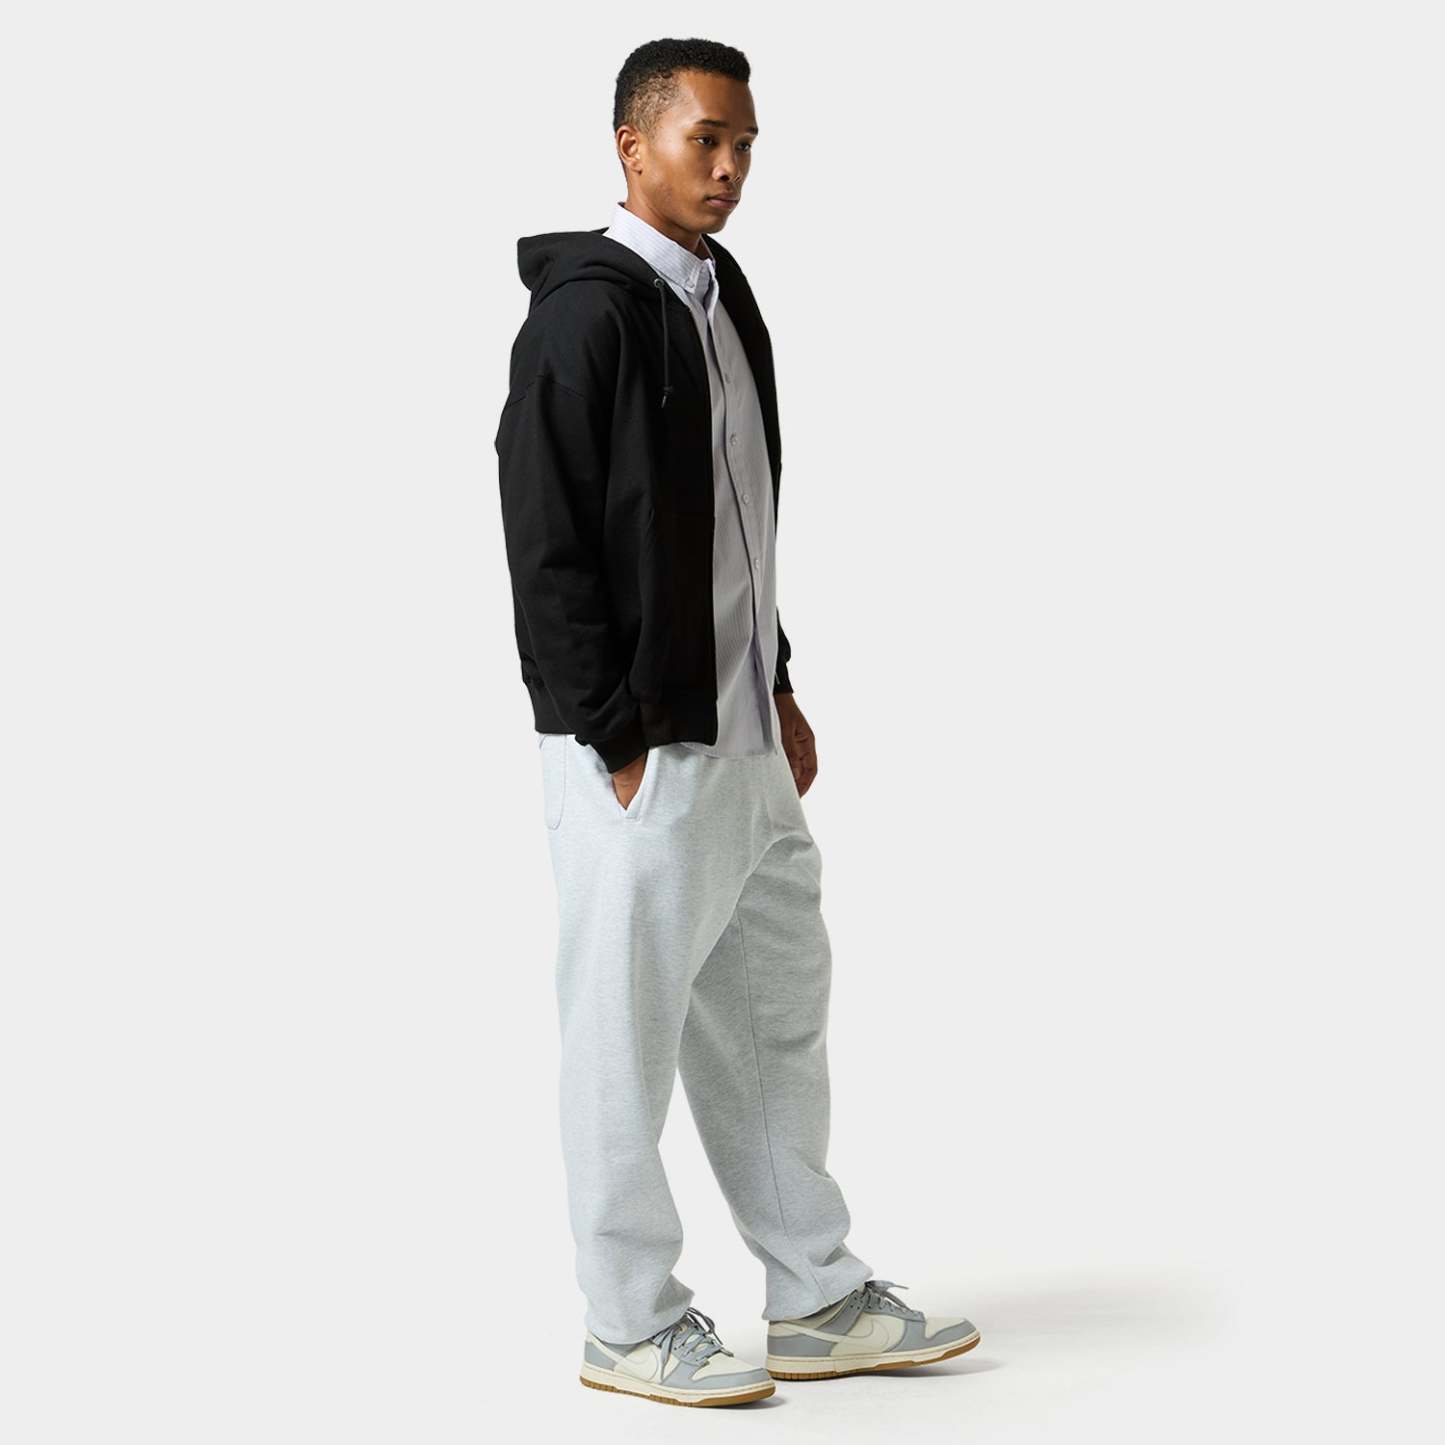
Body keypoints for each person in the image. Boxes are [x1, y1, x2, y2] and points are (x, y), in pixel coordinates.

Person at [496, 36, 980, 1407]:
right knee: (622, 1035)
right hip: (641, 747)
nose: (729, 167)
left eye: (744, 144)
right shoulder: (585, 316)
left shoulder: (719, 293)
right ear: (630, 144)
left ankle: (815, 1293)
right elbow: (543, 540)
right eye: (704, 140)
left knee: (772, 1016)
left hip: (742, 733)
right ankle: (628, 1322)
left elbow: (737, 517)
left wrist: (774, 679)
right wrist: (610, 734)